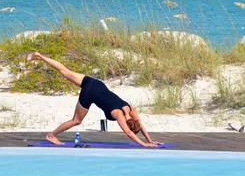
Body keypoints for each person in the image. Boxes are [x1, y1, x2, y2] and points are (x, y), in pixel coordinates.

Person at [26, 52, 163, 147]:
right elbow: (128, 132)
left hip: (96, 84)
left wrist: (151, 140)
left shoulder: (130, 109)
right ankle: (51, 135)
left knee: (65, 71)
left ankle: (40, 57)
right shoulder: (119, 115)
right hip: (90, 93)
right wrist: (144, 143)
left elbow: (140, 124)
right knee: (76, 121)